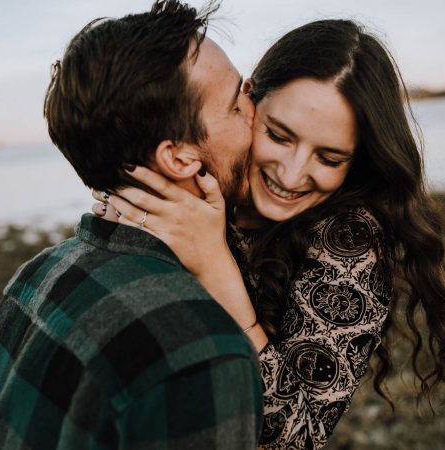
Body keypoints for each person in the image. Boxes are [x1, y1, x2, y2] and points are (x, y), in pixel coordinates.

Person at [96, 19, 445, 449]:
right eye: (279, 136)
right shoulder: (198, 175)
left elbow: (297, 440)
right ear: (248, 102)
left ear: (356, 161)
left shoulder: (351, 245)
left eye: (330, 158)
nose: (292, 174)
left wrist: (216, 270)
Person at [0, 2, 264, 449]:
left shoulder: (37, 274)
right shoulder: (206, 353)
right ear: (178, 158)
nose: (256, 110)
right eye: (238, 102)